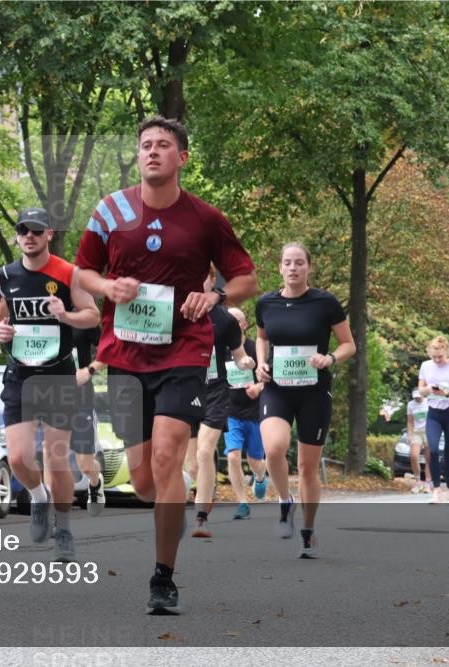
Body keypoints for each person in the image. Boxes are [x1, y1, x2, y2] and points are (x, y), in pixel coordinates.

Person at [76, 116, 259, 614]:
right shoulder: (111, 209)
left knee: (166, 457)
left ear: (182, 157)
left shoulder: (206, 218)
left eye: (163, 144)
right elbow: (83, 270)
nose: (152, 151)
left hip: (183, 350)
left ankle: (163, 575)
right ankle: (171, 501)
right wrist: (106, 287)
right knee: (143, 482)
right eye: (145, 145)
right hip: (126, 353)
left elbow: (246, 278)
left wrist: (215, 295)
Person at [0, 207, 100, 562]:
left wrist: (64, 315)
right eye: (23, 230)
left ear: (49, 235)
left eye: (37, 230)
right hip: (20, 375)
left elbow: (92, 316)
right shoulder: (4, 276)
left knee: (56, 459)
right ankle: (40, 498)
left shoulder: (68, 273)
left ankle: (64, 529)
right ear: (17, 235)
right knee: (18, 458)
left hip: (57, 375)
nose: (29, 236)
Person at [255, 243, 355, 559]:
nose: (293, 268)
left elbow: (348, 344)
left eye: (299, 262)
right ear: (280, 267)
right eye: (288, 262)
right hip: (277, 388)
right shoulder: (266, 303)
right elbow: (261, 337)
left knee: (307, 467)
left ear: (309, 267)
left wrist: (330, 358)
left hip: (314, 391)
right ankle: (285, 501)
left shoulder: (325, 302)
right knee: (274, 447)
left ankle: (308, 531)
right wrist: (261, 363)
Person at [188, 291, 255, 537]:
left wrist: (246, 363)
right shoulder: (177, 309)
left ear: (210, 280)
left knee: (204, 452)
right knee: (192, 466)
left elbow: (240, 356)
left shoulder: (224, 319)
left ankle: (201, 518)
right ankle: (206, 484)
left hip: (215, 392)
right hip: (184, 390)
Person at [222, 307, 267, 521]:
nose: (230, 323)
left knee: (255, 461)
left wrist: (258, 387)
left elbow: (272, 376)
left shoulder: (254, 348)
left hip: (255, 412)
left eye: (235, 320)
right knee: (232, 456)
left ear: (244, 325)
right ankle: (242, 503)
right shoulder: (222, 350)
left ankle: (260, 477)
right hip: (230, 412)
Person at [417, 336, 449, 505]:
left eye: (440, 356)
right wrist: (428, 389)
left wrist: (448, 394)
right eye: (434, 357)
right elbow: (420, 391)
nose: (437, 360)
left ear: (447, 353)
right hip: (434, 414)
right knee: (432, 450)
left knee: (448, 453)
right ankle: (436, 490)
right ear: (429, 354)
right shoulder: (426, 366)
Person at [73, 325, 106, 515]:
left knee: (85, 465)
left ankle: (95, 482)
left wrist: (89, 370)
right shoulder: (39, 315)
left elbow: (109, 348)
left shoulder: (84, 318)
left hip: (81, 399)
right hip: (50, 396)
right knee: (50, 456)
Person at [405, 389, 433, 493]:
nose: (417, 398)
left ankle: (428, 483)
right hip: (417, 433)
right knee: (413, 456)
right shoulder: (410, 405)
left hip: (429, 431)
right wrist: (410, 434)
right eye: (415, 397)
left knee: (428, 459)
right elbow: (410, 421)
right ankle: (418, 481)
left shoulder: (429, 401)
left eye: (419, 396)